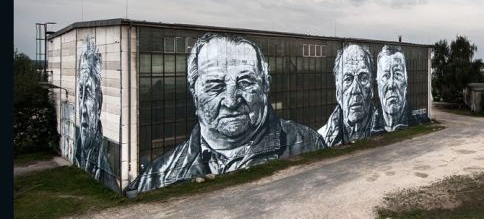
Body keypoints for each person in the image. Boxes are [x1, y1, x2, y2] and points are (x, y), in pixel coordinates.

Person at [127, 33, 325, 193]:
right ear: (194, 95)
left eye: (245, 83)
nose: (231, 101)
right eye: (215, 85)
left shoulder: (306, 141)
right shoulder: (158, 174)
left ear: (265, 88)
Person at [75, 37, 120, 191]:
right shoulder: (76, 152)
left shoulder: (107, 175)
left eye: (88, 93)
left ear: (99, 103)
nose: (83, 108)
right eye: (81, 92)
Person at [318, 44, 384, 147]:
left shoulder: (385, 128)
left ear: (371, 88)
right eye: (348, 79)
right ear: (338, 89)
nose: (356, 90)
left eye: (363, 78)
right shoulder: (321, 138)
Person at [376, 45, 419, 132]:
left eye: (398, 74)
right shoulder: (370, 123)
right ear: (378, 84)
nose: (391, 85)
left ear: (406, 82)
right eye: (385, 76)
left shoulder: (418, 119)